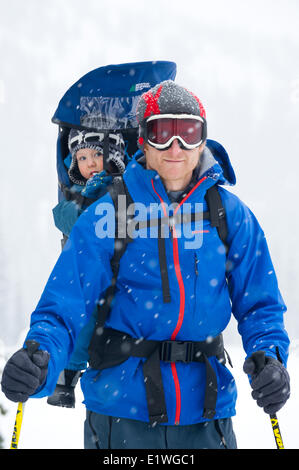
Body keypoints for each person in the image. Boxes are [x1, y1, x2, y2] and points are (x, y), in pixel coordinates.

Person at [1, 80, 290, 450]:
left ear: (202, 140)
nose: (175, 146)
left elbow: (260, 304)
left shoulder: (228, 215)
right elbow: (66, 305)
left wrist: (271, 359)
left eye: (188, 132)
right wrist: (39, 358)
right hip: (120, 418)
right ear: (143, 139)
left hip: (207, 416)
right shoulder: (110, 214)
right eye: (161, 133)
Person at [48, 128, 126, 407]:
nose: (90, 163)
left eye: (96, 154)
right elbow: (65, 219)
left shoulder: (126, 187)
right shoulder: (76, 193)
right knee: (81, 316)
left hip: (123, 268)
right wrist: (85, 202)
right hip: (91, 270)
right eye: (81, 158)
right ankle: (67, 372)